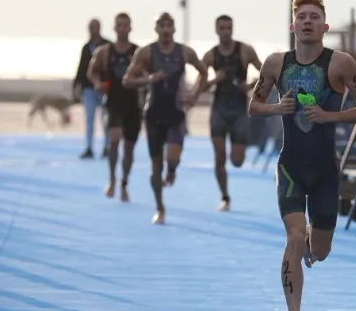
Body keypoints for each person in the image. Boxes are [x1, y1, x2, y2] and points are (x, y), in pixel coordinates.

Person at [248, 0, 356, 311]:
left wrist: (328, 116)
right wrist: (277, 108)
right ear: (292, 24)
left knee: (319, 251)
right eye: (301, 16)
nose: (307, 21)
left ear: (325, 26)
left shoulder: (341, 63)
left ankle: (308, 240)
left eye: (314, 17)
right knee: (292, 237)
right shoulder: (276, 63)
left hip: (325, 171)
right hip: (290, 165)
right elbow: (254, 105)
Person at [123, 12, 209, 225]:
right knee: (155, 165)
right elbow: (127, 80)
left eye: (169, 25)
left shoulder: (184, 52)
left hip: (175, 112)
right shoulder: (146, 53)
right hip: (153, 112)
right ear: (156, 29)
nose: (165, 29)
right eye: (161, 25)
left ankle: (172, 169)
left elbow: (203, 72)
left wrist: (194, 95)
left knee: (173, 156)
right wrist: (149, 78)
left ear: (174, 28)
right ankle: (160, 207)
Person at [195, 15, 262, 212]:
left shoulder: (245, 51)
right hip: (219, 108)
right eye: (222, 28)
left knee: (237, 161)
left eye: (229, 28)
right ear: (216, 30)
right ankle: (225, 197)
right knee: (219, 155)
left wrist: (250, 85)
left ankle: (235, 160)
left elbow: (266, 72)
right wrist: (216, 79)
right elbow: (201, 86)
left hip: (239, 109)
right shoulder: (210, 55)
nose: (226, 31)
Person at [88, 12, 141, 202]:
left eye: (125, 25)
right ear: (115, 27)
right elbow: (92, 71)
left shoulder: (138, 52)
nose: (122, 29)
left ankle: (124, 182)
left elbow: (147, 75)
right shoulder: (104, 51)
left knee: (128, 148)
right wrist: (97, 83)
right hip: (113, 102)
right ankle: (111, 178)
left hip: (132, 104)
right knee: (113, 141)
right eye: (119, 25)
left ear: (130, 27)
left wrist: (142, 82)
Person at [74, 18, 110, 159]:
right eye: (90, 27)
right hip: (88, 88)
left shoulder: (107, 45)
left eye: (94, 27)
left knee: (106, 118)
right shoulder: (86, 47)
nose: (92, 30)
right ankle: (89, 147)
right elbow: (82, 67)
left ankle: (107, 147)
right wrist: (76, 84)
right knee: (89, 118)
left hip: (104, 88)